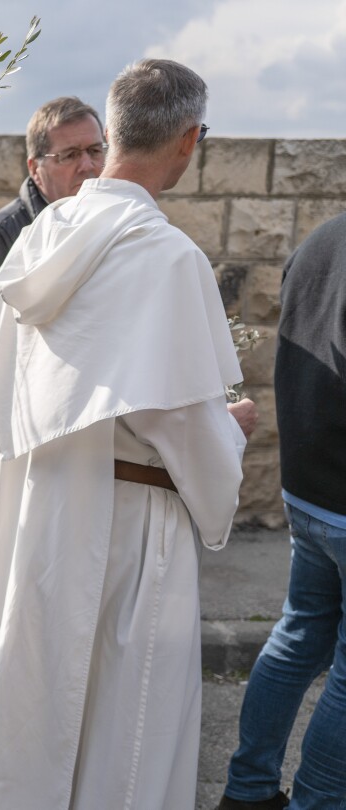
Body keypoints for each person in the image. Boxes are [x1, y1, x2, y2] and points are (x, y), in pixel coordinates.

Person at [0, 59, 258, 809]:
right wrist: (230, 433)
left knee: (38, 701)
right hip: (131, 523)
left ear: (115, 133)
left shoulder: (42, 234)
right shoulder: (168, 258)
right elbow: (181, 424)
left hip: (40, 504)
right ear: (188, 141)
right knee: (128, 725)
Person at [0, 96, 104, 635]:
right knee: (9, 620)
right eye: (71, 154)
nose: (90, 167)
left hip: (80, 465)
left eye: (97, 150)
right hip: (18, 465)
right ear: (36, 167)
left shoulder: (96, 232)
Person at [215, 213, 346, 810]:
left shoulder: (320, 239)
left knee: (298, 636)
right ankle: (316, 801)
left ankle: (247, 791)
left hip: (307, 486)